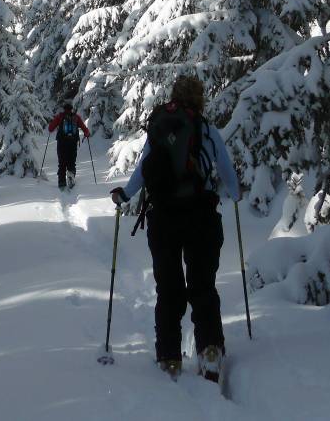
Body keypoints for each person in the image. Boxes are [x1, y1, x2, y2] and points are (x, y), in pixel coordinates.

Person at [110, 76, 240, 382]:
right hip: (201, 217)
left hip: (164, 219)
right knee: (202, 285)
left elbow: (144, 170)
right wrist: (235, 194)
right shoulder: (206, 130)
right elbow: (227, 173)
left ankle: (169, 358)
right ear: (199, 99)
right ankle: (210, 351)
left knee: (168, 289)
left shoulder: (159, 128)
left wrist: (124, 195)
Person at [48, 101, 90, 190]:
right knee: (71, 162)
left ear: (64, 108)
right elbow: (85, 129)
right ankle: (71, 177)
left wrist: (52, 123)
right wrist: (86, 133)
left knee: (62, 163)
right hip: (73, 143)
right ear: (71, 109)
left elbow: (50, 128)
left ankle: (61, 182)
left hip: (61, 143)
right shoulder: (76, 117)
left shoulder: (60, 116)